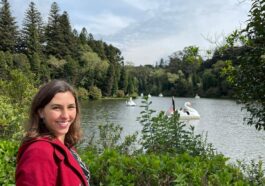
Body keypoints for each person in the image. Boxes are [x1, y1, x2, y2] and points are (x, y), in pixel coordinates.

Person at [16, 80, 90, 186]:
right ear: (40, 112)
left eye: (70, 107)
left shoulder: (66, 146)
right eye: (56, 108)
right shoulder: (38, 152)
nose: (65, 115)